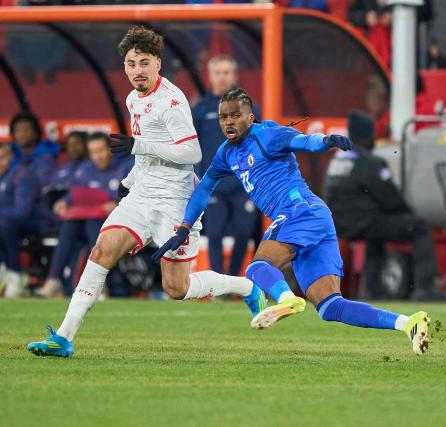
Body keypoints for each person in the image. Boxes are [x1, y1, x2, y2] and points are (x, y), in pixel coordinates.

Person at [26, 26, 267, 358]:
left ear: (158, 64)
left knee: (177, 288)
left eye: (144, 62)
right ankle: (64, 337)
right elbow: (147, 153)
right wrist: (130, 178)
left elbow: (191, 154)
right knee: (101, 252)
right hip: (142, 196)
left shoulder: (171, 101)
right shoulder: (131, 98)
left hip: (175, 201)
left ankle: (248, 288)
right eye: (130, 63)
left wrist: (139, 144)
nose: (137, 70)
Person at [153, 88, 432, 355]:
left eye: (235, 115)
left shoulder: (267, 134)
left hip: (299, 210)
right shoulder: (226, 153)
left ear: (250, 117)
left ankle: (287, 300)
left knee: (258, 267)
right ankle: (408, 323)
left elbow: (300, 140)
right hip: (314, 218)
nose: (229, 121)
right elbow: (204, 188)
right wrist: (185, 227)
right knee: (330, 307)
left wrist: (325, 141)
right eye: (224, 116)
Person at [324, 111, 445, 301]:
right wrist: (410, 214)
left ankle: (370, 291)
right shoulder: (370, 162)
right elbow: (391, 199)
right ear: (368, 135)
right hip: (362, 222)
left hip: (338, 224)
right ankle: (425, 288)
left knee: (376, 233)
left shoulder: (338, 160)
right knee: (419, 228)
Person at [37, 132, 132, 298]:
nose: (98, 156)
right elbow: (75, 193)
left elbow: (136, 195)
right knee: (72, 224)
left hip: (118, 224)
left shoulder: (125, 166)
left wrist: (118, 205)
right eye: (93, 152)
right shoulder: (85, 169)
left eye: (101, 150)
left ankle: (96, 284)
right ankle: (54, 280)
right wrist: (64, 202)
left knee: (91, 222)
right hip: (87, 224)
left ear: (110, 148)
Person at [192, 54, 259, 277]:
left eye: (226, 72)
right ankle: (219, 283)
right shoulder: (201, 109)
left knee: (243, 232)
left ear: (235, 75)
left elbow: (261, 143)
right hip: (215, 184)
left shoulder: (250, 108)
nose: (222, 77)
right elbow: (192, 147)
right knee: (215, 233)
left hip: (244, 184)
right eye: (218, 73)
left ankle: (233, 278)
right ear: (210, 76)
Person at [0, 143, 43, 298]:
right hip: (8, 223)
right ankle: (4, 269)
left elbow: (22, 211)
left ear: (12, 157)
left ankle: (15, 273)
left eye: (2, 158)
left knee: (6, 222)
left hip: (35, 223)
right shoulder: (2, 175)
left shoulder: (22, 174)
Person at [10, 111, 58, 188]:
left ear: (36, 133)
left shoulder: (46, 159)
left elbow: (43, 187)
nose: (22, 134)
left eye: (26, 129)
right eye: (17, 130)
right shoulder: (12, 158)